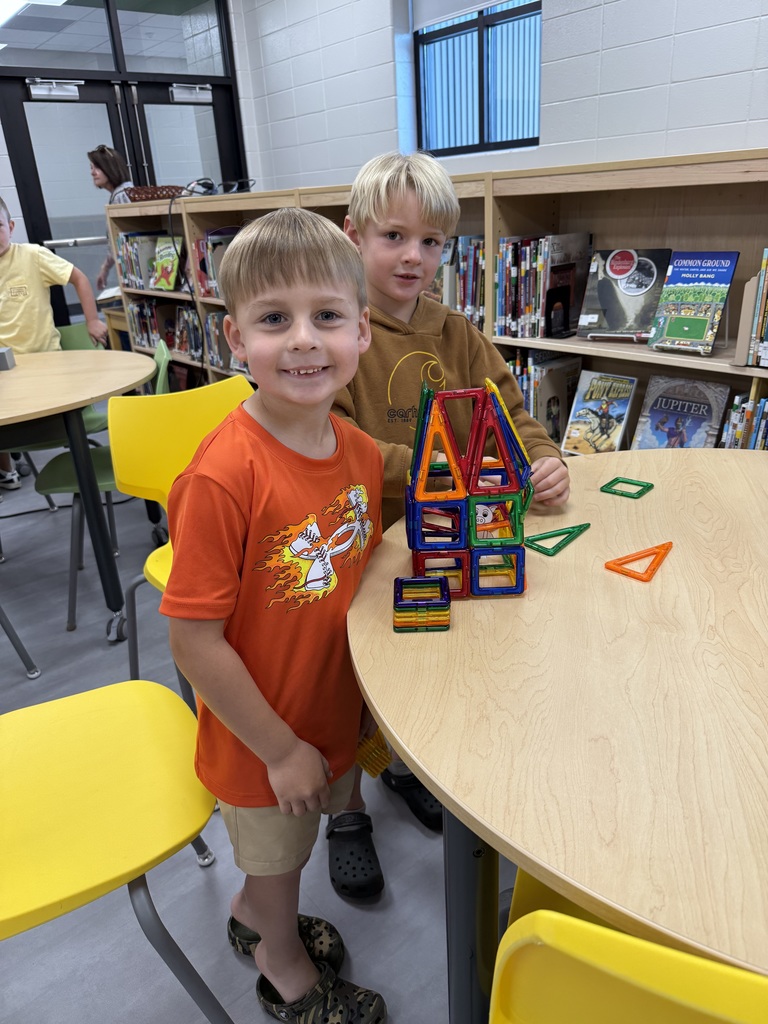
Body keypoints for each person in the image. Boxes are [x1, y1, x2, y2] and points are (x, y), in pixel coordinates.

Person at [159, 208, 387, 1024]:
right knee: (282, 857)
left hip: (324, 709)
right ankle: (278, 958)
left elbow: (349, 571)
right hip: (264, 738)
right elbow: (191, 638)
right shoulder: (223, 477)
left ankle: (256, 915)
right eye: (273, 320)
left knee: (287, 857)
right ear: (235, 342)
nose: (302, 340)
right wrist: (282, 748)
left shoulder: (357, 451)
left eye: (326, 316)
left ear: (361, 331)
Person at [328, 151, 571, 897]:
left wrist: (541, 456)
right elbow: (341, 446)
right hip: (364, 546)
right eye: (393, 236)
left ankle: (406, 767)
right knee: (347, 682)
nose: (414, 256)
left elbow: (506, 403)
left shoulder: (455, 330)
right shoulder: (335, 330)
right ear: (353, 236)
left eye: (432, 242)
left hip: (450, 538)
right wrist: (447, 472)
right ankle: (345, 814)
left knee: (428, 668)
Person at [0, 195, 108, 489]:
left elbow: (79, 278)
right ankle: (6, 469)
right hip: (6, 370)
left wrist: (92, 320)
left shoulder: (32, 256)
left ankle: (67, 461)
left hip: (45, 363)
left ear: (10, 226)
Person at [87, 144, 133, 291]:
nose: (92, 173)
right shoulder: (120, 194)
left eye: (97, 168)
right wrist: (105, 268)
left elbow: (126, 238)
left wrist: (105, 268)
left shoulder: (122, 196)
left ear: (110, 168)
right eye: (91, 168)